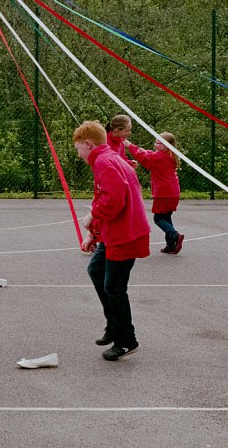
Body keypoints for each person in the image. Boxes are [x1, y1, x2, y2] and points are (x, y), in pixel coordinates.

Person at [74, 120, 150, 361]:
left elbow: (112, 202)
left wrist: (92, 216)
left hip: (125, 234)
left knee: (115, 287)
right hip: (114, 232)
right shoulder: (106, 160)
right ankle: (114, 325)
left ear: (88, 144)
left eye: (78, 149)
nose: (78, 155)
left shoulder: (105, 162)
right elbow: (105, 197)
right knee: (96, 270)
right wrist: (93, 234)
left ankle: (126, 339)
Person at [125, 132, 184, 254]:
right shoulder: (168, 156)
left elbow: (146, 158)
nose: (155, 145)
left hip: (164, 193)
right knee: (166, 217)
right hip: (173, 192)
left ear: (167, 146)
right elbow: (150, 154)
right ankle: (171, 245)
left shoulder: (160, 158)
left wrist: (130, 146)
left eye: (159, 143)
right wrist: (140, 149)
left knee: (158, 218)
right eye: (156, 142)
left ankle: (174, 235)